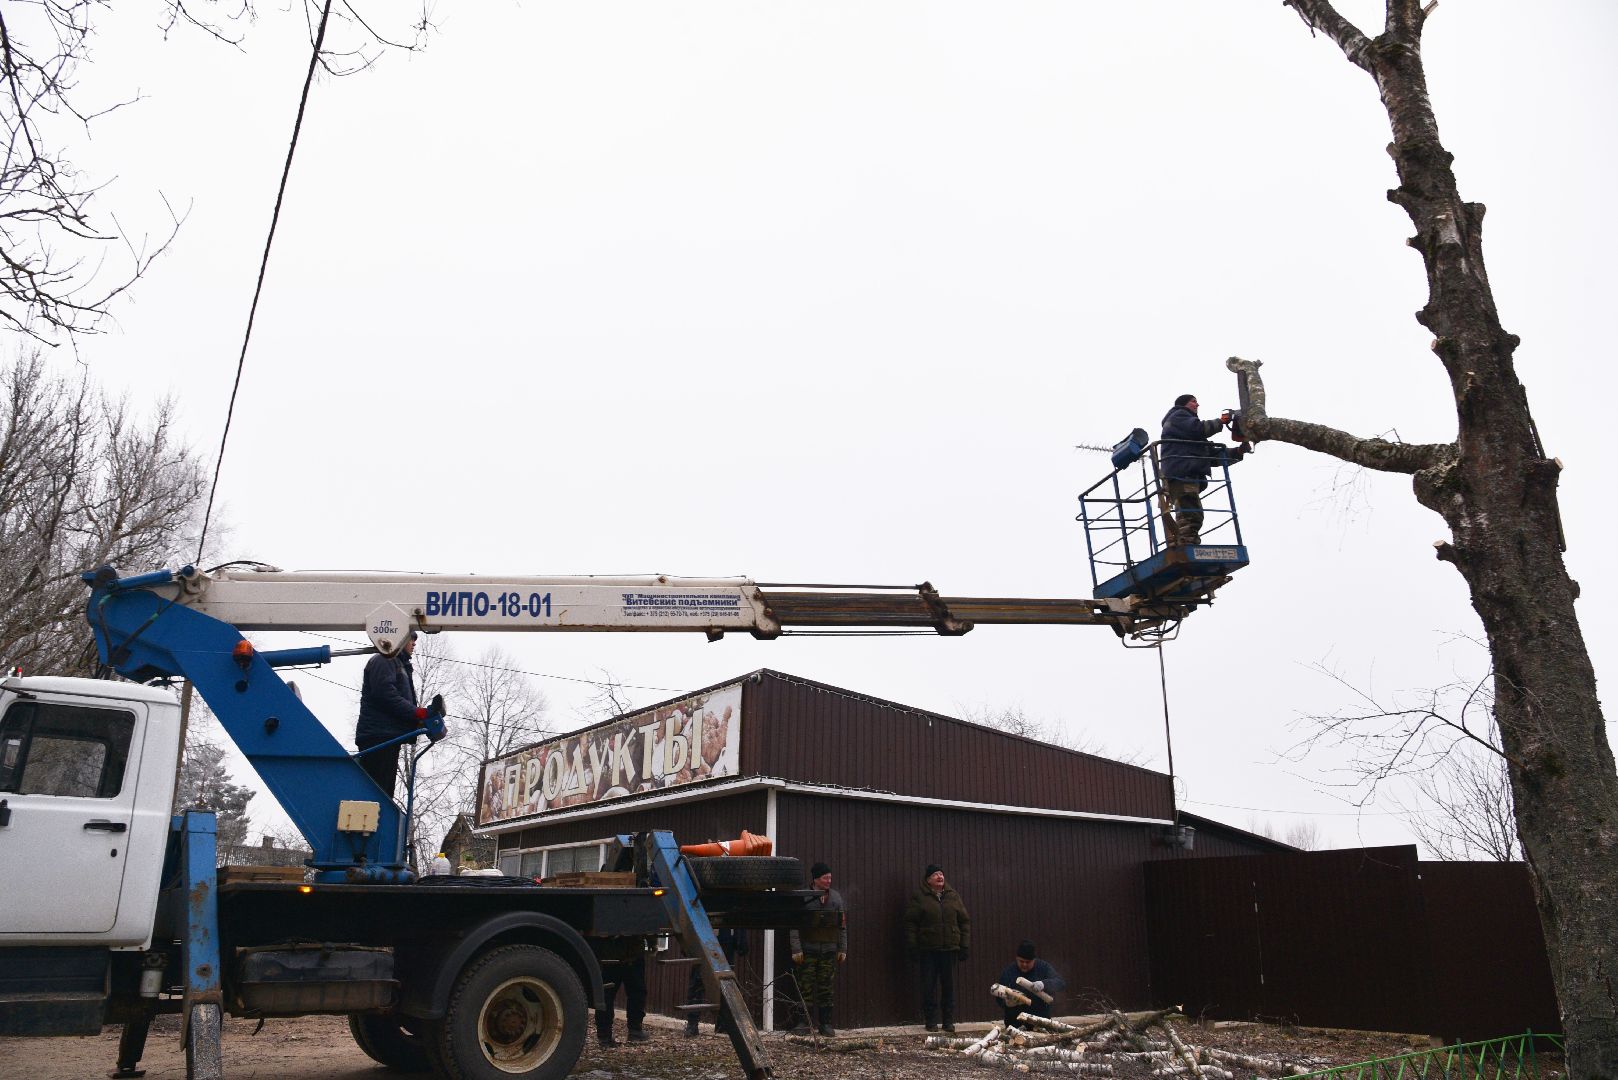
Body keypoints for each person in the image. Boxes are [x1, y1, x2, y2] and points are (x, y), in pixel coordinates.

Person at [1158, 394, 1241, 545]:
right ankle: (1187, 541)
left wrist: (1238, 452)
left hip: (1184, 474)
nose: (1197, 405)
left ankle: (1184, 541)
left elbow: (1210, 455)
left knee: (1188, 512)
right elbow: (1199, 429)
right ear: (1183, 404)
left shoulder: (1189, 434)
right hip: (1181, 473)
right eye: (1193, 402)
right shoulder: (1178, 416)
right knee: (1191, 514)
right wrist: (1221, 421)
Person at [904, 863, 970, 1033]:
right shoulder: (919, 896)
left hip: (949, 950)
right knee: (929, 987)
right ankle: (931, 1021)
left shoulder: (953, 896)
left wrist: (964, 945)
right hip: (928, 950)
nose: (940, 877)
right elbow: (911, 923)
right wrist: (913, 947)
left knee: (948, 987)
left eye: (941, 874)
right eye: (935, 875)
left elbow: (964, 921)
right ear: (928, 880)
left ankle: (948, 1021)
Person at [354, 630, 421, 797]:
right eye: (411, 638)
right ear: (400, 638)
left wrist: (417, 719)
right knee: (377, 795)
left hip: (387, 737)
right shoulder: (384, 660)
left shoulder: (397, 664)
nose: (414, 643)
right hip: (378, 737)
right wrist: (417, 714)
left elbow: (397, 701)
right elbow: (386, 695)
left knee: (383, 795)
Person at [789, 862, 847, 1037]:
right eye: (825, 878)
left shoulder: (836, 898)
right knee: (804, 987)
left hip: (828, 951)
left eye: (830, 877)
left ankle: (825, 1024)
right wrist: (796, 949)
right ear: (815, 879)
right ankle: (803, 1023)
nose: (829, 881)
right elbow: (793, 925)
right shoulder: (803, 897)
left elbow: (842, 926)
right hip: (807, 950)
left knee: (826, 988)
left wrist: (842, 948)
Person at [684, 927, 749, 1037]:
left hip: (725, 938)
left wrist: (741, 937)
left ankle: (722, 1024)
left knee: (724, 981)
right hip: (704, 936)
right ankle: (692, 1024)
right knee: (698, 981)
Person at [993, 940, 1066, 1024]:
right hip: (1015, 1022)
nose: (1024, 964)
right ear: (1017, 959)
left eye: (1028, 962)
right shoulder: (1008, 972)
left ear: (1034, 960)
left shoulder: (1043, 967)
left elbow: (1060, 983)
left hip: (1040, 1020)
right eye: (1021, 961)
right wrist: (1006, 1003)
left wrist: (1043, 984)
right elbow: (998, 997)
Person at [597, 945, 650, 1046]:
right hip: (632, 953)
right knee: (636, 992)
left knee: (606, 994)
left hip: (609, 953)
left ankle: (604, 1035)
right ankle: (635, 1031)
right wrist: (652, 943)